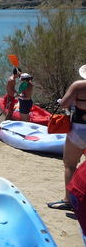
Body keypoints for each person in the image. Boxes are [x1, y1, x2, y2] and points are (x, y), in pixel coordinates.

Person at [47, 64, 86, 211]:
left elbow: (64, 103)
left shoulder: (78, 86)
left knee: (70, 165)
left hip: (78, 130)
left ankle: (68, 200)